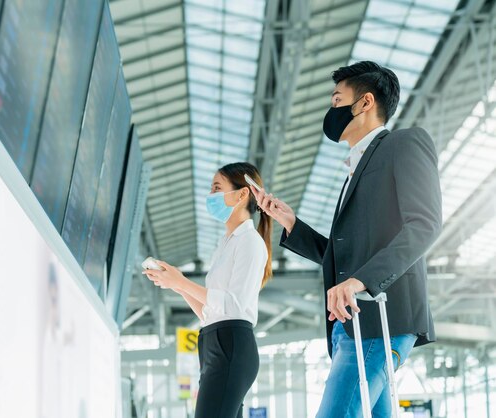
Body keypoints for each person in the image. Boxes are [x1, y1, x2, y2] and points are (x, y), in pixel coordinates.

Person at [251, 61, 442, 417]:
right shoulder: (354, 170)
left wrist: (360, 282)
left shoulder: (404, 144)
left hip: (379, 316)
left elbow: (424, 225)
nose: (332, 109)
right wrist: (290, 222)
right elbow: (342, 256)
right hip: (349, 324)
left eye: (337, 99)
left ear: (365, 103)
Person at [143, 162, 272, 418]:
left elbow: (233, 305)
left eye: (217, 187)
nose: (210, 195)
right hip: (216, 343)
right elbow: (210, 312)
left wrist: (182, 283)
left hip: (231, 345)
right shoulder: (225, 244)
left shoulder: (250, 243)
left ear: (242, 194)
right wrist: (177, 284)